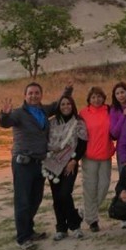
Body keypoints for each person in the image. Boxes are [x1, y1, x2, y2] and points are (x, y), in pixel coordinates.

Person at [0, 81, 72, 250]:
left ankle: (29, 231)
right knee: (22, 201)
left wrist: (67, 90)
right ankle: (22, 238)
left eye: (37, 93)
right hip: (22, 163)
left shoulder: (43, 110)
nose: (33, 95)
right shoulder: (18, 113)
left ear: (41, 95)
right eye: (30, 93)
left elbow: (57, 105)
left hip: (39, 163)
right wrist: (3, 114)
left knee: (35, 199)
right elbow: (4, 123)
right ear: (25, 96)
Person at [43, 95, 88, 241]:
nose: (66, 106)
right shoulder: (52, 123)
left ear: (73, 105)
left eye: (68, 103)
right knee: (57, 197)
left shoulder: (79, 122)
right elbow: (45, 140)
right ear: (59, 107)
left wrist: (74, 160)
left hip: (69, 163)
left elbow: (82, 144)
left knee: (65, 193)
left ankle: (75, 225)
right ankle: (61, 228)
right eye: (62, 104)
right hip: (52, 163)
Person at [78, 86, 115, 233]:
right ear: (89, 99)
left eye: (99, 96)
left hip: (106, 155)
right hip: (89, 157)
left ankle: (83, 210)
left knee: (104, 186)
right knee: (90, 188)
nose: (96, 99)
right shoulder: (83, 113)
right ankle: (92, 220)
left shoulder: (110, 110)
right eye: (93, 97)